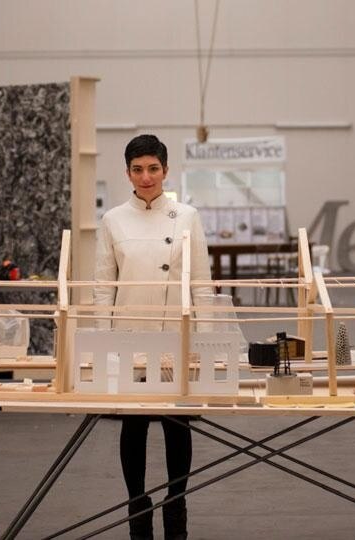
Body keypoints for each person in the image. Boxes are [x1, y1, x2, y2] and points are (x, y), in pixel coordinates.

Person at [94, 134, 213, 540]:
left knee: (177, 422)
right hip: (130, 334)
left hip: (175, 334)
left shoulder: (187, 216)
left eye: (153, 168)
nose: (146, 177)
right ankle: (137, 506)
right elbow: (102, 287)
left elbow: (201, 283)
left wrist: (209, 342)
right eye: (137, 169)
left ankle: (176, 503)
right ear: (127, 172)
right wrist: (102, 342)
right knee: (135, 425)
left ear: (166, 170)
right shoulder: (112, 219)